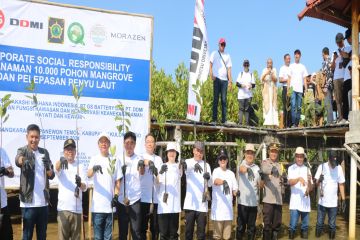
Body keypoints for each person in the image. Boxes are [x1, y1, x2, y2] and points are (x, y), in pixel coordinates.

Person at [15, 124, 55, 240]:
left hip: (43, 203)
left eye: (36, 137)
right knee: (27, 236)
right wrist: (23, 161)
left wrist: (49, 168)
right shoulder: (23, 150)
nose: (34, 140)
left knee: (42, 236)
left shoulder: (44, 152)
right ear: (27, 137)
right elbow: (18, 159)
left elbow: (51, 175)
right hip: (28, 204)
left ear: (39, 138)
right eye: (31, 137)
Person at [87, 132, 121, 240]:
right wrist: (94, 169)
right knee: (97, 237)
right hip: (97, 207)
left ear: (109, 144)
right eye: (101, 142)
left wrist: (116, 196)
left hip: (110, 207)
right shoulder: (94, 159)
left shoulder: (115, 160)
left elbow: (118, 181)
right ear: (98, 144)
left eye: (106, 142)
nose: (103, 144)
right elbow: (88, 175)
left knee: (108, 237)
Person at [55, 139, 87, 240]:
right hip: (63, 209)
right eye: (68, 149)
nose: (70, 151)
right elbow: (56, 169)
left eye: (72, 149)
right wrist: (61, 160)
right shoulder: (61, 163)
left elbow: (85, 187)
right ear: (64, 151)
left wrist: (80, 183)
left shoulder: (81, 166)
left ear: (75, 152)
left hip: (77, 210)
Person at [116, 131, 145, 240]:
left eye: (132, 143)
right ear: (123, 144)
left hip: (135, 199)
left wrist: (142, 166)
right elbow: (116, 179)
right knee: (122, 232)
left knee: (136, 232)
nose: (129, 145)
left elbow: (142, 172)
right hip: (121, 200)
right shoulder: (119, 159)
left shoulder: (139, 158)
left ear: (135, 145)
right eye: (127, 143)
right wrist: (120, 172)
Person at [183, 141, 212, 240]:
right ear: (193, 150)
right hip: (190, 204)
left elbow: (210, 184)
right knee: (188, 233)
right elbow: (184, 168)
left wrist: (208, 178)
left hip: (202, 205)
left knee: (201, 234)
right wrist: (194, 165)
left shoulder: (206, 165)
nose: (199, 153)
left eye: (201, 151)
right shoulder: (188, 162)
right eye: (197, 150)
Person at [314, 151, 346, 239]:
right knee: (319, 223)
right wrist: (319, 180)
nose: (334, 165)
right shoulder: (322, 167)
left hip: (333, 203)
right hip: (322, 202)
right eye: (332, 162)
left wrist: (343, 199)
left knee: (332, 225)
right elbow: (315, 184)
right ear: (329, 159)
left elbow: (341, 184)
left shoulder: (339, 168)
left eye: (335, 162)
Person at [156, 142, 182, 240]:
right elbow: (157, 181)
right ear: (166, 153)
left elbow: (181, 173)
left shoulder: (179, 166)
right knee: (163, 234)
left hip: (174, 206)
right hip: (163, 206)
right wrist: (161, 172)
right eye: (170, 151)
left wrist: (182, 163)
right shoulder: (161, 166)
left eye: (173, 152)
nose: (171, 154)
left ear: (176, 154)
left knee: (173, 234)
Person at [211, 148, 238, 240]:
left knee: (227, 237)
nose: (222, 160)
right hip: (217, 211)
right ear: (218, 161)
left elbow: (234, 190)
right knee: (217, 236)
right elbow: (215, 181)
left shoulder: (231, 173)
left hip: (228, 211)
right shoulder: (215, 171)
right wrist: (224, 182)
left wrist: (237, 192)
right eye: (220, 159)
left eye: (224, 158)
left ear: (227, 160)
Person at [287, 147, 313, 239]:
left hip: (305, 202)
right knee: (292, 226)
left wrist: (309, 181)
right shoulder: (291, 168)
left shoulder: (307, 169)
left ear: (303, 157)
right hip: (294, 203)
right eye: (297, 156)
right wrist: (298, 179)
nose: (299, 158)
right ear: (295, 157)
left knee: (305, 227)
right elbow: (290, 182)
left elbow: (311, 188)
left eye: (301, 157)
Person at [140, 133, 162, 240]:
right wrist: (148, 162)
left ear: (155, 145)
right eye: (148, 142)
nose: (150, 144)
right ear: (145, 144)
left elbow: (160, 180)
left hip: (156, 198)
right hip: (143, 198)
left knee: (155, 228)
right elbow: (141, 167)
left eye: (152, 142)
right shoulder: (140, 157)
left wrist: (156, 172)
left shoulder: (159, 159)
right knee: (142, 228)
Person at [236, 144, 260, 240]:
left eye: (252, 153)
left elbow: (260, 185)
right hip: (242, 203)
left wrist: (263, 178)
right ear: (245, 154)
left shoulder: (257, 168)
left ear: (254, 155)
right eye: (248, 153)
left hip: (254, 203)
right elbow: (241, 169)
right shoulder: (241, 164)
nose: (250, 155)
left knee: (251, 228)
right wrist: (248, 170)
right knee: (241, 227)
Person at [260, 143, 283, 240]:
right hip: (268, 199)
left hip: (278, 199)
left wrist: (284, 180)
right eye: (272, 151)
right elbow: (264, 169)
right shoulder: (265, 162)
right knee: (267, 224)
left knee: (277, 224)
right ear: (269, 152)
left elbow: (282, 178)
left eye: (275, 152)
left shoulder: (280, 165)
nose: (274, 153)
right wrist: (272, 170)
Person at [209, 38, 233, 124]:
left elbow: (229, 69)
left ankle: (224, 120)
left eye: (224, 44)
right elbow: (210, 65)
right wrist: (211, 75)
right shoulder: (214, 53)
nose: (222, 46)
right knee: (216, 99)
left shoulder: (228, 55)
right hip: (217, 79)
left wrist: (230, 81)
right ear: (218, 44)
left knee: (224, 100)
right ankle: (214, 120)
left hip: (225, 80)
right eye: (221, 44)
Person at [331, 33, 350, 124]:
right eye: (337, 42)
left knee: (345, 97)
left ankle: (347, 117)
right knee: (338, 99)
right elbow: (332, 67)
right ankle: (340, 117)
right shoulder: (334, 52)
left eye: (340, 41)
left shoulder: (347, 48)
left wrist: (341, 53)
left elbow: (347, 57)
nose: (338, 43)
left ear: (343, 40)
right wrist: (334, 59)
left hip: (345, 76)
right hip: (336, 77)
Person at [289, 49, 308, 127]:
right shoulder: (291, 66)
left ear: (300, 56)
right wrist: (288, 90)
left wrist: (306, 89)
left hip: (300, 89)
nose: (297, 56)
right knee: (293, 105)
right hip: (292, 89)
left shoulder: (303, 66)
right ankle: (293, 123)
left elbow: (305, 79)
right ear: (294, 56)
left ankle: (297, 123)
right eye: (295, 54)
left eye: (298, 54)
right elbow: (289, 78)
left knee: (299, 107)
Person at [0, 148, 14, 240]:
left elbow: (12, 173)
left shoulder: (1, 151)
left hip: (2, 204)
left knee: (7, 236)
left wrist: (6, 171)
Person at [236, 59, 255, 125]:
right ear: (243, 65)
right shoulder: (240, 74)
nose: (246, 66)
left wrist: (251, 86)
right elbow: (237, 84)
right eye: (245, 64)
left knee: (247, 110)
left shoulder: (251, 74)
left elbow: (254, 84)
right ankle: (240, 124)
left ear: (249, 65)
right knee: (241, 109)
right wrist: (241, 85)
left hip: (248, 95)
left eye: (247, 64)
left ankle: (247, 124)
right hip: (241, 95)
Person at [261, 58, 279, 127]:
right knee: (267, 105)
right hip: (266, 90)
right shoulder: (264, 70)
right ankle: (267, 123)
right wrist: (266, 73)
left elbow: (276, 79)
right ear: (266, 63)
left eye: (271, 63)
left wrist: (271, 74)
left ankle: (274, 123)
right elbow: (261, 79)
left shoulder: (274, 70)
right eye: (268, 63)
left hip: (273, 89)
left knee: (273, 105)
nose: (269, 64)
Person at [321, 47, 335, 124]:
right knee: (330, 103)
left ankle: (330, 121)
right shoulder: (331, 60)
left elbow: (324, 75)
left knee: (327, 103)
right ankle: (331, 120)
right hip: (332, 83)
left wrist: (324, 86)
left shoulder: (325, 62)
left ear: (323, 53)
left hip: (327, 85)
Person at [279, 53, 292, 128]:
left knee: (291, 107)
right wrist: (288, 80)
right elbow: (280, 80)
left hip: (292, 89)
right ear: (284, 60)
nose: (289, 60)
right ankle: (285, 124)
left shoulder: (292, 67)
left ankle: (290, 124)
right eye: (287, 59)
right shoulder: (282, 68)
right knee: (285, 107)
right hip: (285, 88)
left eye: (289, 59)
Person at [343, 28, 352, 121]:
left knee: (352, 96)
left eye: (348, 38)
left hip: (353, 75)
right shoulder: (349, 48)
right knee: (345, 97)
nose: (347, 40)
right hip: (347, 77)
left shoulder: (357, 45)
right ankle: (345, 118)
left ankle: (348, 117)